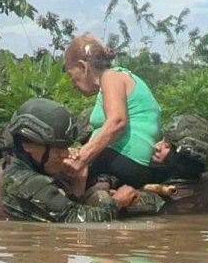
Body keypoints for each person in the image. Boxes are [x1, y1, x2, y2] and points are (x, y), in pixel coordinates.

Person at [0, 98, 162, 223]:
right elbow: (77, 220)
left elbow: (64, 212)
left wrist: (79, 181)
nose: (64, 154)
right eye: (57, 148)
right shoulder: (26, 181)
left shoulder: (22, 174)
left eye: (66, 147)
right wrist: (117, 202)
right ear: (28, 145)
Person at [62, 34, 161, 188]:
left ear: (83, 66)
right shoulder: (119, 78)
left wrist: (82, 158)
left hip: (125, 160)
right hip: (128, 161)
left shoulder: (111, 77)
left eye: (71, 75)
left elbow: (117, 122)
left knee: (55, 167)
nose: (72, 84)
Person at [146, 114, 208, 214]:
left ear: (183, 159)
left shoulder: (161, 199)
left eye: (167, 145)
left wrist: (118, 202)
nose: (156, 146)